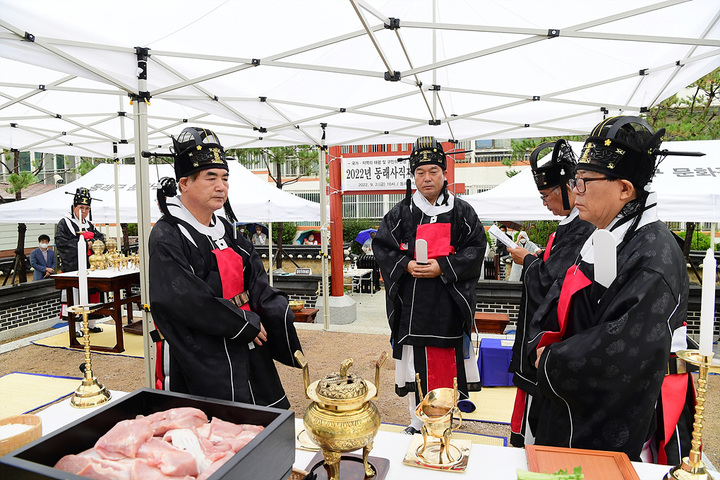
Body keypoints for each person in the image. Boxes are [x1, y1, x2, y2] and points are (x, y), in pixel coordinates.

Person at [524, 116, 694, 462]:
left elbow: (624, 345)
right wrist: (542, 340)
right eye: (576, 180)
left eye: (585, 181)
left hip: (626, 407)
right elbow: (561, 294)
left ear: (625, 189)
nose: (576, 190)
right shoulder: (609, 234)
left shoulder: (653, 253)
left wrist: (554, 359)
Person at [149, 126, 302, 407]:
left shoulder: (227, 230)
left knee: (265, 415)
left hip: (247, 334)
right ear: (184, 183)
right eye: (211, 178)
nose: (221, 186)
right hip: (201, 347)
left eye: (225, 178)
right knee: (215, 427)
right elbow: (186, 300)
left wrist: (277, 314)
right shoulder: (167, 235)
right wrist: (242, 324)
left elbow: (256, 278)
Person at [373, 136, 486, 434]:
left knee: (447, 364)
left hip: (448, 304)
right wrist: (406, 264)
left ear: (445, 174)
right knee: (414, 367)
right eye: (421, 172)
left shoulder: (463, 212)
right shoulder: (400, 213)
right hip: (413, 306)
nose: (427, 178)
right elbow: (382, 247)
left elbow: (476, 249)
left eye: (433, 171)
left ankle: (445, 420)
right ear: (413, 176)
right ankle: (416, 421)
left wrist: (443, 267)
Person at [505, 140, 595, 448]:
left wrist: (528, 261)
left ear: (569, 187)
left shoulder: (586, 229)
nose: (545, 204)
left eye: (547, 195)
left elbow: (554, 283)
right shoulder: (568, 229)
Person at [55, 187, 105, 335]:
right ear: (74, 207)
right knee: (76, 296)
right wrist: (83, 243)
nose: (84, 211)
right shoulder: (65, 223)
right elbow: (61, 243)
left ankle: (91, 322)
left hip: (90, 267)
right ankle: (76, 327)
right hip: (74, 267)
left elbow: (100, 237)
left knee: (92, 294)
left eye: (87, 208)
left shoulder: (88, 224)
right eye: (81, 208)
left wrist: (93, 242)